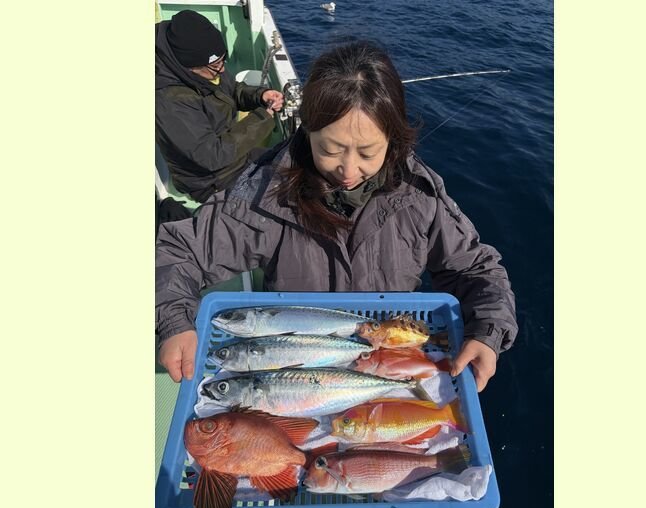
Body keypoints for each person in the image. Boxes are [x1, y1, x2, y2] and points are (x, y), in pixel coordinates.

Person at [156, 41, 518, 392]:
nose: (348, 170)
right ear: (307, 131)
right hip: (294, 371)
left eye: (368, 152)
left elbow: (476, 270)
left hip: (385, 359)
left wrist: (486, 331)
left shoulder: (419, 198)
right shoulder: (264, 195)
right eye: (330, 149)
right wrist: (174, 323)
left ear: (393, 140)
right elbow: (178, 252)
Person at [155, 10, 285, 203]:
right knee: (280, 200)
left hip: (236, 155)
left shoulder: (207, 70)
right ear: (189, 66)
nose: (223, 69)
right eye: (216, 65)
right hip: (211, 180)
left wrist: (259, 95)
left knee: (293, 164)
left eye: (223, 59)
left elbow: (231, 90)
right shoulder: (169, 103)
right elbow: (211, 156)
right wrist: (263, 117)